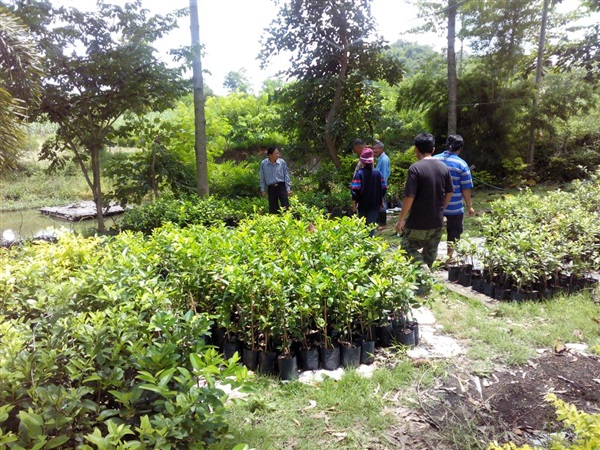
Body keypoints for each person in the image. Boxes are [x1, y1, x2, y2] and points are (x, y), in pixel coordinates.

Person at [395, 133, 454, 270]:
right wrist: (441, 208)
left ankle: (424, 274)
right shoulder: (443, 167)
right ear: (433, 149)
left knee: (406, 248)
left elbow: (409, 196)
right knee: (430, 253)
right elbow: (450, 192)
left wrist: (401, 219)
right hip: (437, 221)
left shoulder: (415, 168)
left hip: (417, 221)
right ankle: (425, 282)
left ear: (416, 149)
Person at [433, 134, 475, 262]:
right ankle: (449, 257)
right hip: (455, 207)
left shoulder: (434, 160)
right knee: (454, 232)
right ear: (460, 148)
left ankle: (431, 256)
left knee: (434, 233)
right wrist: (470, 206)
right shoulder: (461, 164)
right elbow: (465, 188)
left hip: (435, 206)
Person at [351, 148, 387, 237]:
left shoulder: (359, 173)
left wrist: (353, 205)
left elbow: (355, 190)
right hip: (375, 204)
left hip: (362, 205)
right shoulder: (378, 173)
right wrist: (381, 201)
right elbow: (383, 188)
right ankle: (370, 246)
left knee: (362, 228)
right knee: (371, 227)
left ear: (362, 162)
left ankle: (363, 248)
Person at [259, 146, 292, 214]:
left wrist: (288, 188)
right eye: (276, 153)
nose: (278, 155)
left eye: (278, 153)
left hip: (281, 186)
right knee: (273, 208)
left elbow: (286, 176)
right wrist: (263, 189)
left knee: (285, 206)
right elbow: (262, 177)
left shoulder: (282, 162)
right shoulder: (264, 164)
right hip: (271, 188)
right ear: (270, 155)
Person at [373, 140, 390, 226]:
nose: (374, 151)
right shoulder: (381, 159)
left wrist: (381, 188)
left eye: (375, 148)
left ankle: (382, 223)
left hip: (381, 186)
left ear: (381, 148)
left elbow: (383, 176)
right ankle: (380, 222)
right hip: (379, 186)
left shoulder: (384, 160)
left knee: (382, 203)